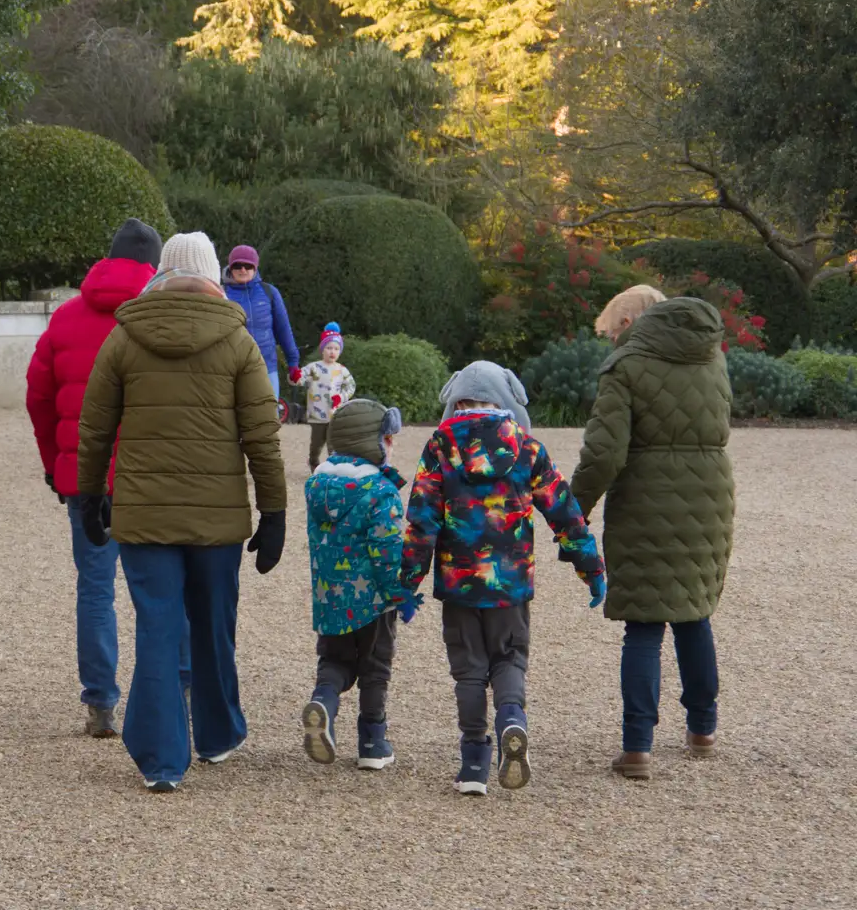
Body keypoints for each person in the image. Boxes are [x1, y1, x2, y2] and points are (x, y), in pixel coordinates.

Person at [75, 231, 287, 792]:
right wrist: (275, 512)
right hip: (217, 520)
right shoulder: (238, 342)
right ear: (214, 276)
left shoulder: (124, 337)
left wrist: (91, 493)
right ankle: (215, 734)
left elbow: (94, 428)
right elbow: (261, 438)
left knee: (158, 625)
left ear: (160, 274)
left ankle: (161, 759)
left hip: (144, 518)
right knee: (214, 625)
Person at [401, 360, 605, 797]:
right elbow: (564, 511)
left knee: (469, 671)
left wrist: (407, 583)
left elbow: (420, 521)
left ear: (456, 400)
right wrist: (590, 567)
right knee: (509, 658)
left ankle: (474, 761)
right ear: (507, 400)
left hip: (459, 584)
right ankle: (513, 718)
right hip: (510, 585)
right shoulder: (526, 447)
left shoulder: (440, 445)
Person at [570, 291, 733, 781]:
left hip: (645, 497)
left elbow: (604, 455)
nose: (612, 340)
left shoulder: (627, 366)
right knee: (693, 611)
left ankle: (637, 745)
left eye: (612, 330)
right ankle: (702, 728)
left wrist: (572, 512)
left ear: (627, 320)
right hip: (709, 498)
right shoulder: (711, 358)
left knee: (643, 624)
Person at [26, 218, 176, 738]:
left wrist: (54, 462)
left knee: (95, 588)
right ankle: (163, 697)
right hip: (148, 476)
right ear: (153, 266)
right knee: (157, 589)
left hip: (84, 477)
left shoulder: (66, 317)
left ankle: (101, 701)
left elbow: (38, 395)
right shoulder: (159, 317)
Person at [301, 399, 415, 771]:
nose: (391, 444)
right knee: (375, 667)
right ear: (372, 442)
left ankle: (324, 704)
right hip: (373, 602)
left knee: (334, 660)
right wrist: (400, 593)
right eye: (387, 438)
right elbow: (387, 551)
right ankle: (372, 741)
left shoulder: (317, 485)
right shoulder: (381, 492)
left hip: (330, 598)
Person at [221, 244, 302, 402]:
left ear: (255, 267)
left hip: (266, 367)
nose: (243, 269)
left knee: (268, 419)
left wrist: (293, 363)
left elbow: (284, 329)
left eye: (248, 265)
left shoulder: (270, 292)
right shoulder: (220, 294)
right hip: (231, 370)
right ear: (231, 267)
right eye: (237, 265)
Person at [296, 322, 355, 470]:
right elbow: (298, 379)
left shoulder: (341, 370)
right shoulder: (314, 367)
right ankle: (313, 462)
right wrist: (295, 376)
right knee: (316, 444)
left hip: (334, 413)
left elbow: (351, 386)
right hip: (316, 414)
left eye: (336, 348)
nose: (332, 352)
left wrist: (341, 397)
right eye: (329, 348)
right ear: (322, 350)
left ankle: (333, 468)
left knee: (333, 443)